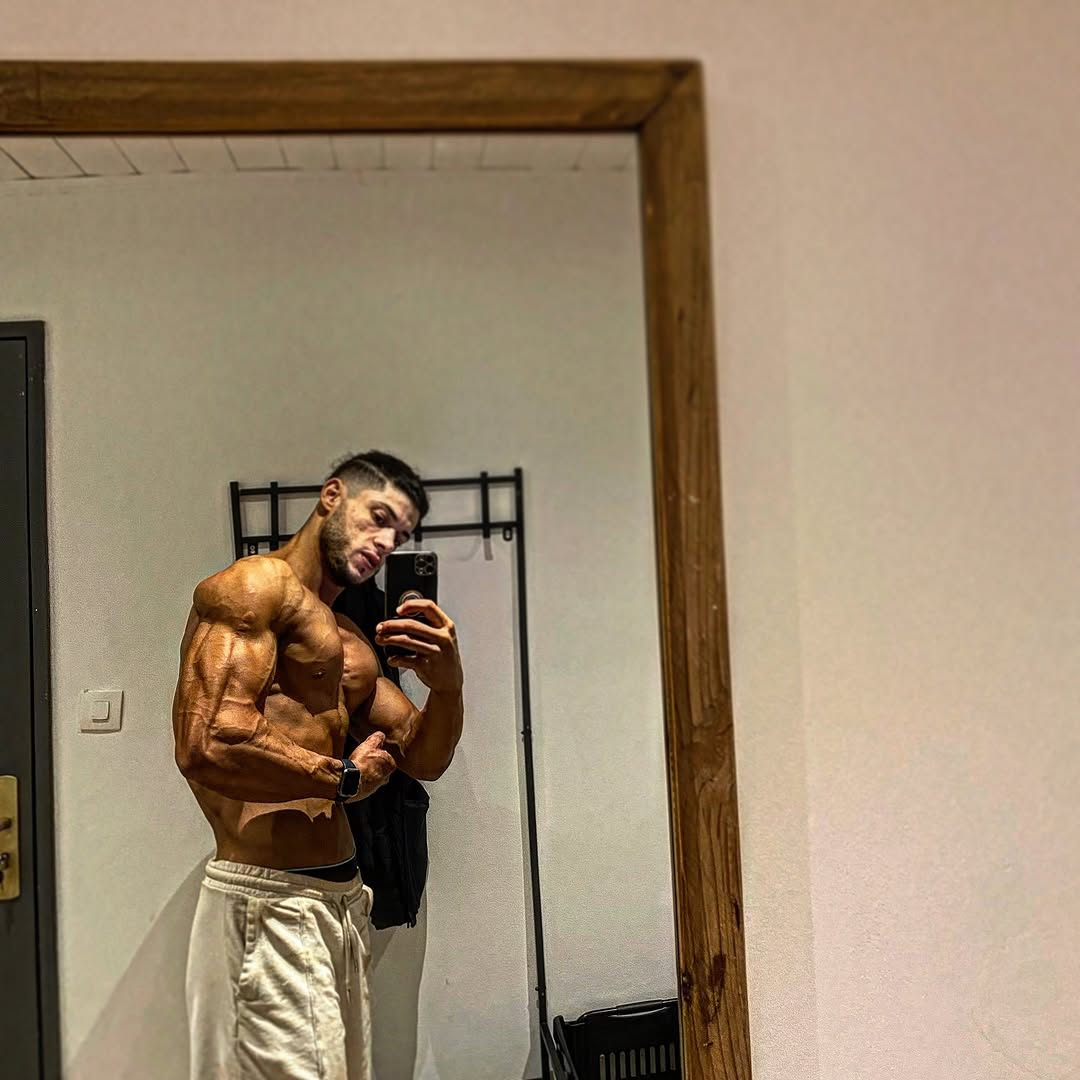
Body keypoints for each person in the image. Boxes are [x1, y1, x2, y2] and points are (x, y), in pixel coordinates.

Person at [172, 450, 464, 1080]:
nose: (384, 544)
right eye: (378, 517)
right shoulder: (255, 587)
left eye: (399, 536)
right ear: (333, 496)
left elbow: (424, 757)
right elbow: (208, 741)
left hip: (340, 903)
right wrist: (344, 779)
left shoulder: (348, 638)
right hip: (268, 902)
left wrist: (447, 685)